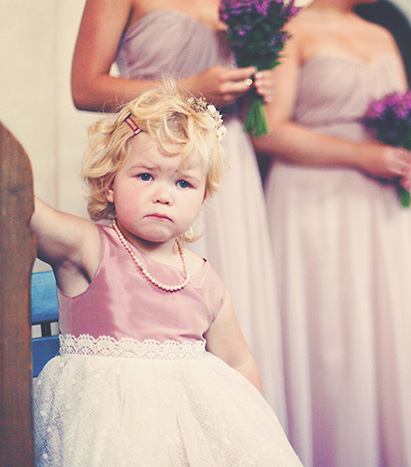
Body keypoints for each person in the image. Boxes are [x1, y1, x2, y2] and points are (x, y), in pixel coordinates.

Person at [31, 83, 301, 465]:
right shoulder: (89, 248)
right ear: (109, 184)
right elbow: (24, 208)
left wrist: (251, 431)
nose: (164, 194)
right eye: (145, 176)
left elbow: (238, 360)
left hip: (188, 442)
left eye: (183, 183)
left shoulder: (205, 279)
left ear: (203, 197)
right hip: (108, 433)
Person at [251, 0, 411, 465]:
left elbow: (410, 121)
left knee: (387, 334)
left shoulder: (383, 34)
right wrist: (361, 156)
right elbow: (268, 132)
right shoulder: (291, 29)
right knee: (330, 336)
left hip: (384, 207)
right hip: (315, 201)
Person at [70, 0, 288, 426]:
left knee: (231, 307)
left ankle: (234, 430)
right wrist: (185, 89)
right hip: (154, 158)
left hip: (224, 163)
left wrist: (254, 87)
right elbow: (84, 87)